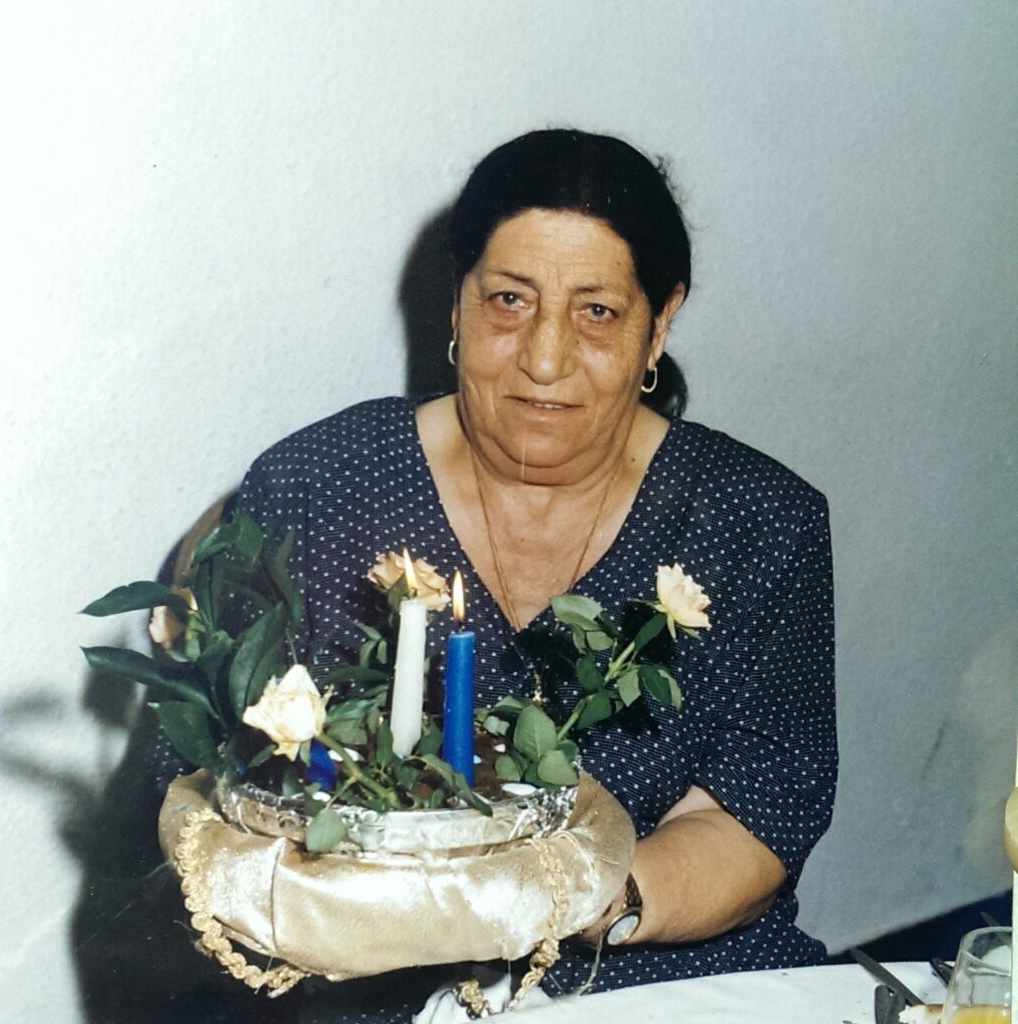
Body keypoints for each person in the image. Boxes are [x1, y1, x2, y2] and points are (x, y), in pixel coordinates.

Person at [216, 128, 836, 1019]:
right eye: (509, 299)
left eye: (597, 312)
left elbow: (754, 816)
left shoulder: (754, 522)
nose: (544, 359)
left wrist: (576, 906)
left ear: (660, 322)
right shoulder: (319, 488)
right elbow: (217, 789)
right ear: (456, 307)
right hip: (377, 987)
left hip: (660, 973)